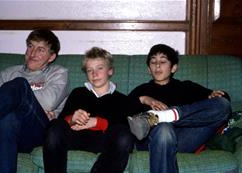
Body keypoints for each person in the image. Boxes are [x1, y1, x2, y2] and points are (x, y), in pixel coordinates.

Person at [127, 44, 231, 173]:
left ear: (173, 67)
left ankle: (163, 116)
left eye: (163, 61)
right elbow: (122, 111)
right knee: (164, 128)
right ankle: (160, 119)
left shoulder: (186, 87)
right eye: (153, 62)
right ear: (149, 69)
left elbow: (223, 99)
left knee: (222, 104)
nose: (157, 65)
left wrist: (216, 94)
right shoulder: (142, 90)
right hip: (154, 141)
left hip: (185, 139)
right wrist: (144, 99)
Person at [0, 29, 69, 173]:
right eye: (30, 46)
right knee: (7, 116)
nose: (32, 53)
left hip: (38, 133)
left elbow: (49, 102)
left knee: (20, 85)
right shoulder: (8, 73)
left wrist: (21, 97)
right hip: (5, 132)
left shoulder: (58, 73)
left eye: (40, 49)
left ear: (51, 57)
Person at [43, 47, 135, 173]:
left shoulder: (122, 99)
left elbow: (125, 127)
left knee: (124, 135)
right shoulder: (78, 93)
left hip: (104, 141)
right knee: (54, 126)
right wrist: (72, 120)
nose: (94, 74)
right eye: (89, 70)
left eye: (99, 68)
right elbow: (62, 123)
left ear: (110, 71)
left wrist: (97, 122)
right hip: (76, 137)